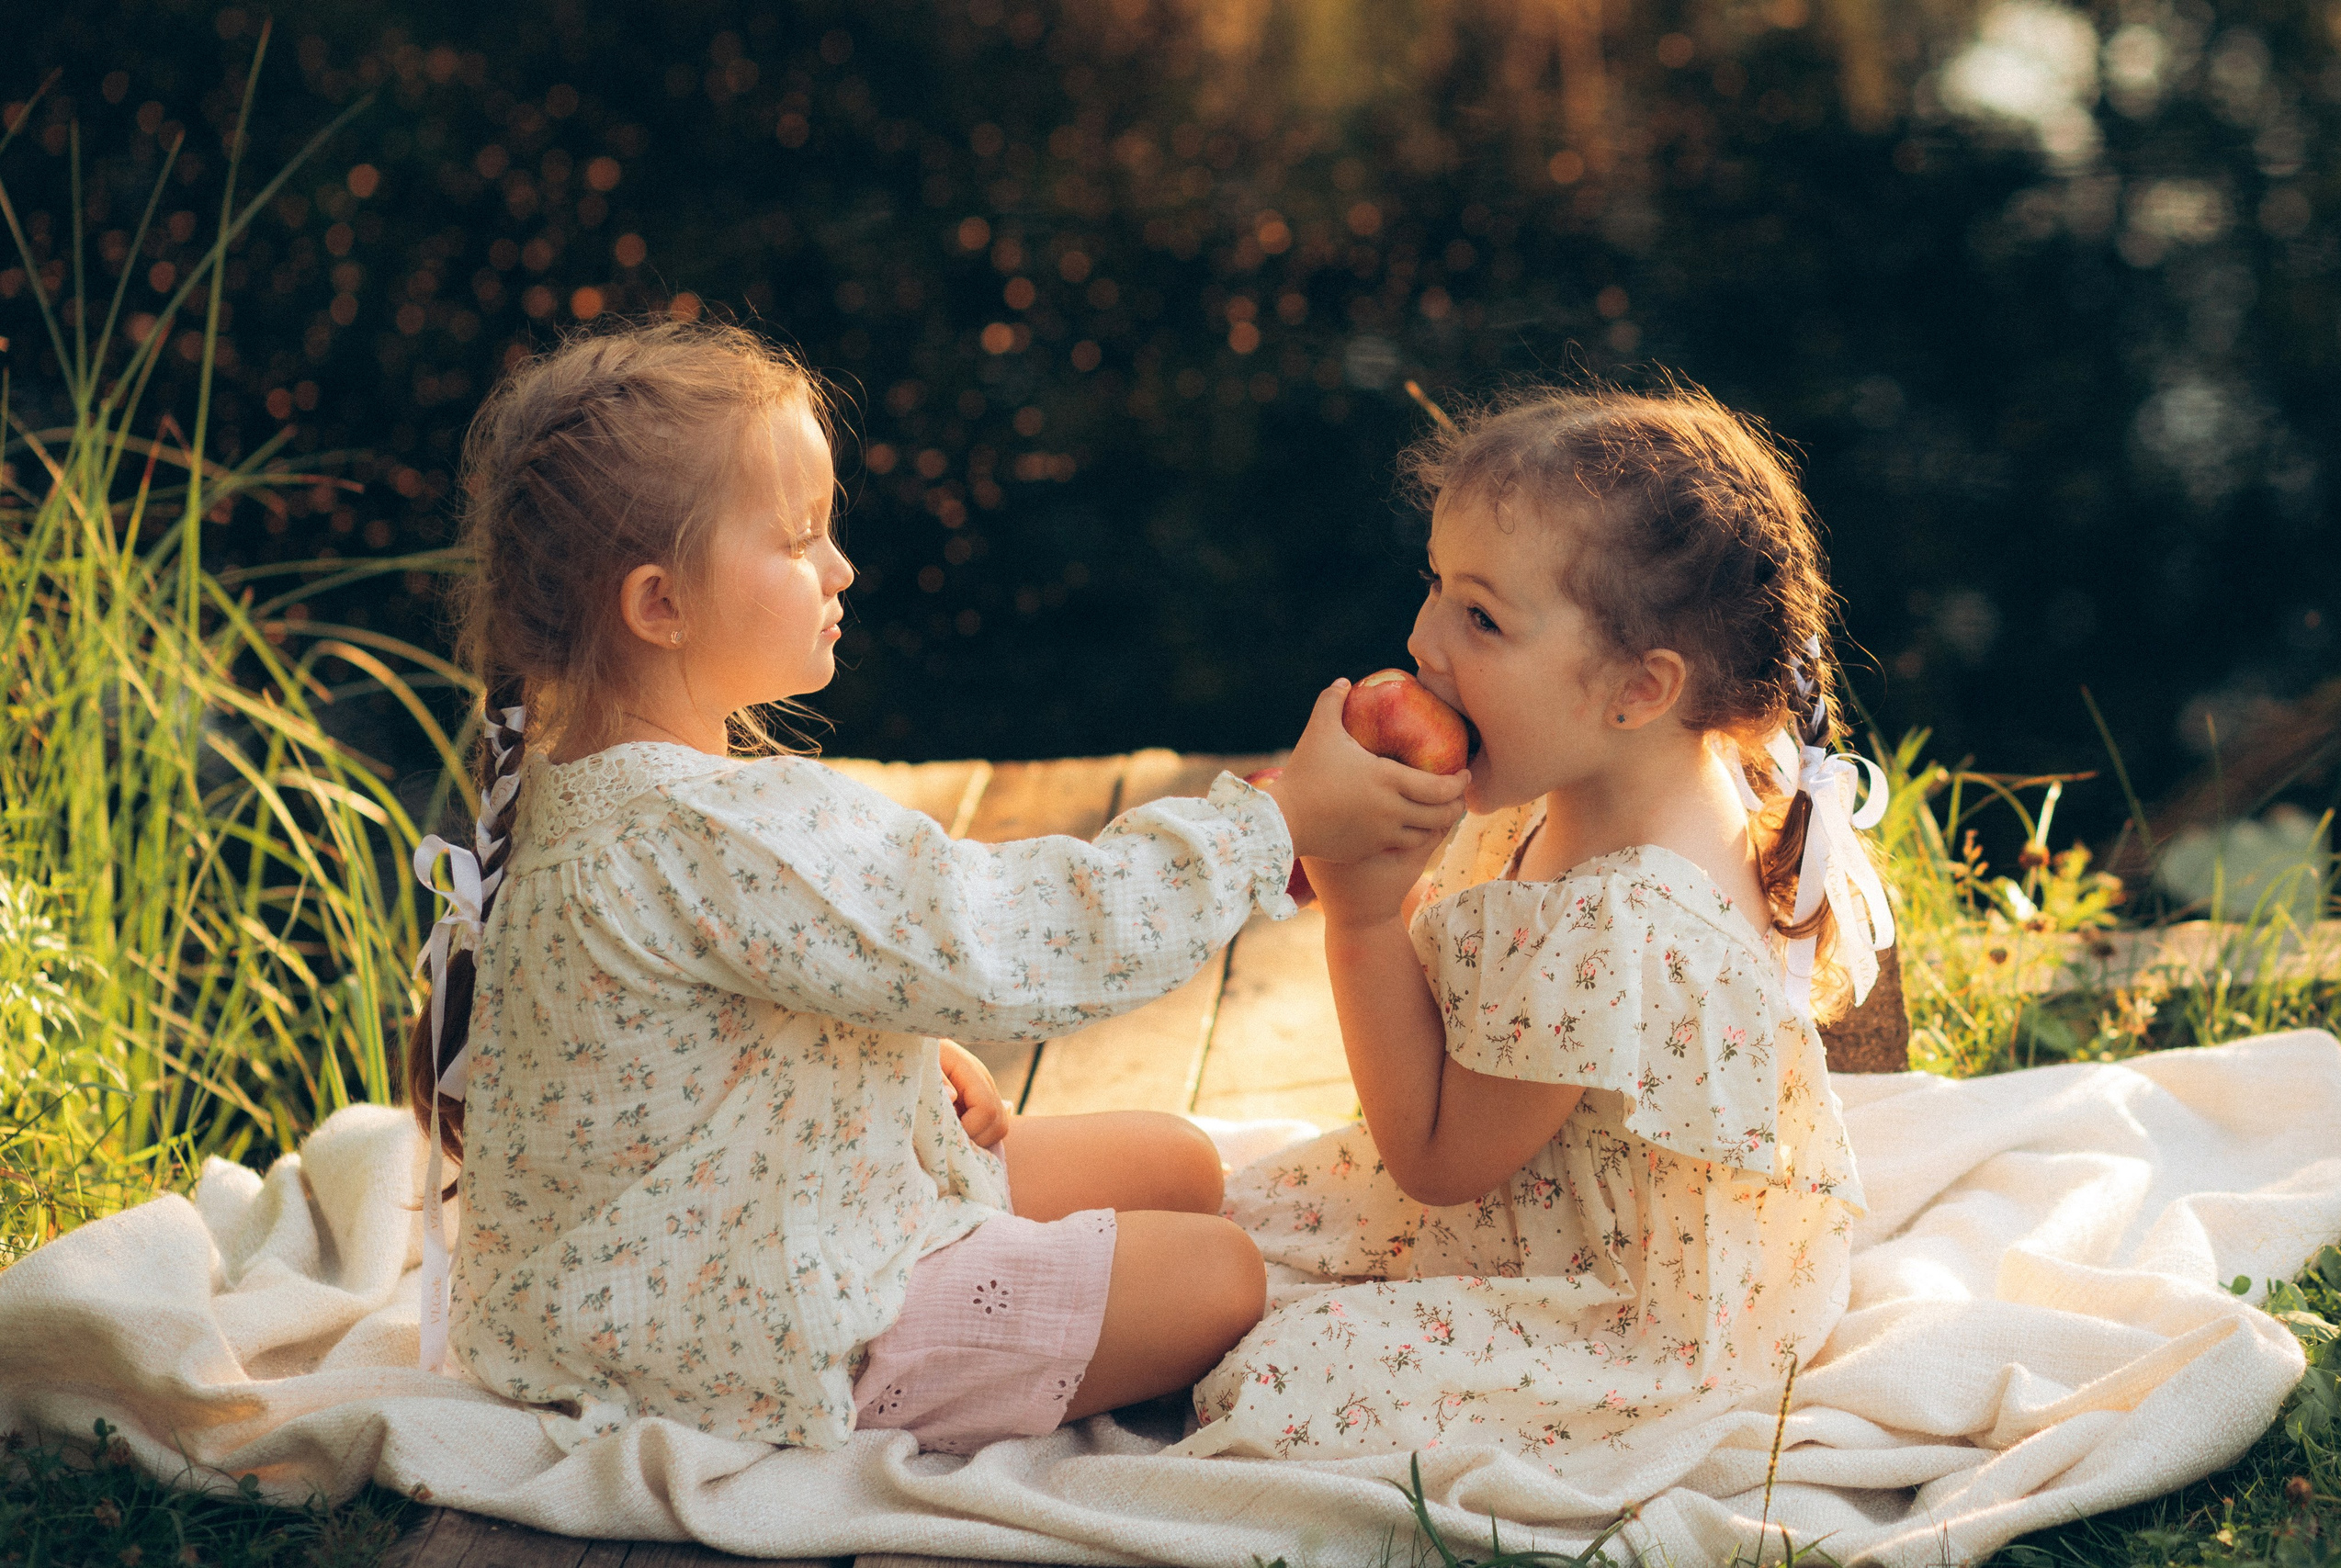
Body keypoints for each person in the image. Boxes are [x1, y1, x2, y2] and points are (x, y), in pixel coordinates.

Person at [401, 319, 1467, 1454]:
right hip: (744, 1327)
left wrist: (888, 1054)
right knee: (1219, 1275)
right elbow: (1012, 942)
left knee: (1183, 1162)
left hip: (676, 1250)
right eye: (799, 539)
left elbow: (688, 1037)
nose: (839, 569)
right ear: (659, 605)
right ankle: (904, 1359)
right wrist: (1274, 824)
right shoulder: (730, 830)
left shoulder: (584, 796)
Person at [1176, 386, 1890, 1466]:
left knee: (1281, 1376)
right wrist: (1374, 855)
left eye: (1481, 618)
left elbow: (1435, 1159)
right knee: (1204, 1207)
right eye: (1434, 588)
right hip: (1542, 1210)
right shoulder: (1594, 781)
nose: (1420, 641)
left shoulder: (1622, 922)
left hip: (1633, 1308)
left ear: (1638, 689)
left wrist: (1364, 921)